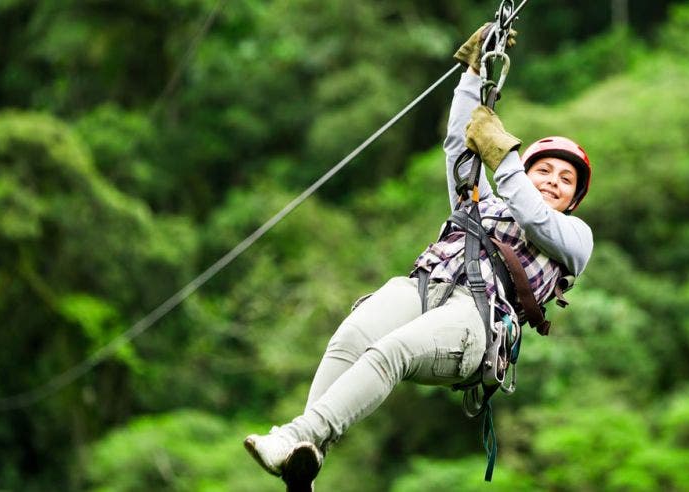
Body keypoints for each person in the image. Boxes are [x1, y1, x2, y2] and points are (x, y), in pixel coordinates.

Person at [243, 24, 594, 491]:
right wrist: (473, 75)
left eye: (564, 179)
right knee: (352, 336)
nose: (552, 180)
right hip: (425, 286)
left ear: (573, 199)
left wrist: (507, 157)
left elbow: (531, 215)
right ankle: (305, 454)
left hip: (476, 318)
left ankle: (297, 435)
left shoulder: (574, 238)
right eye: (543, 170)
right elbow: (459, 145)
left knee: (393, 351)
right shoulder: (483, 201)